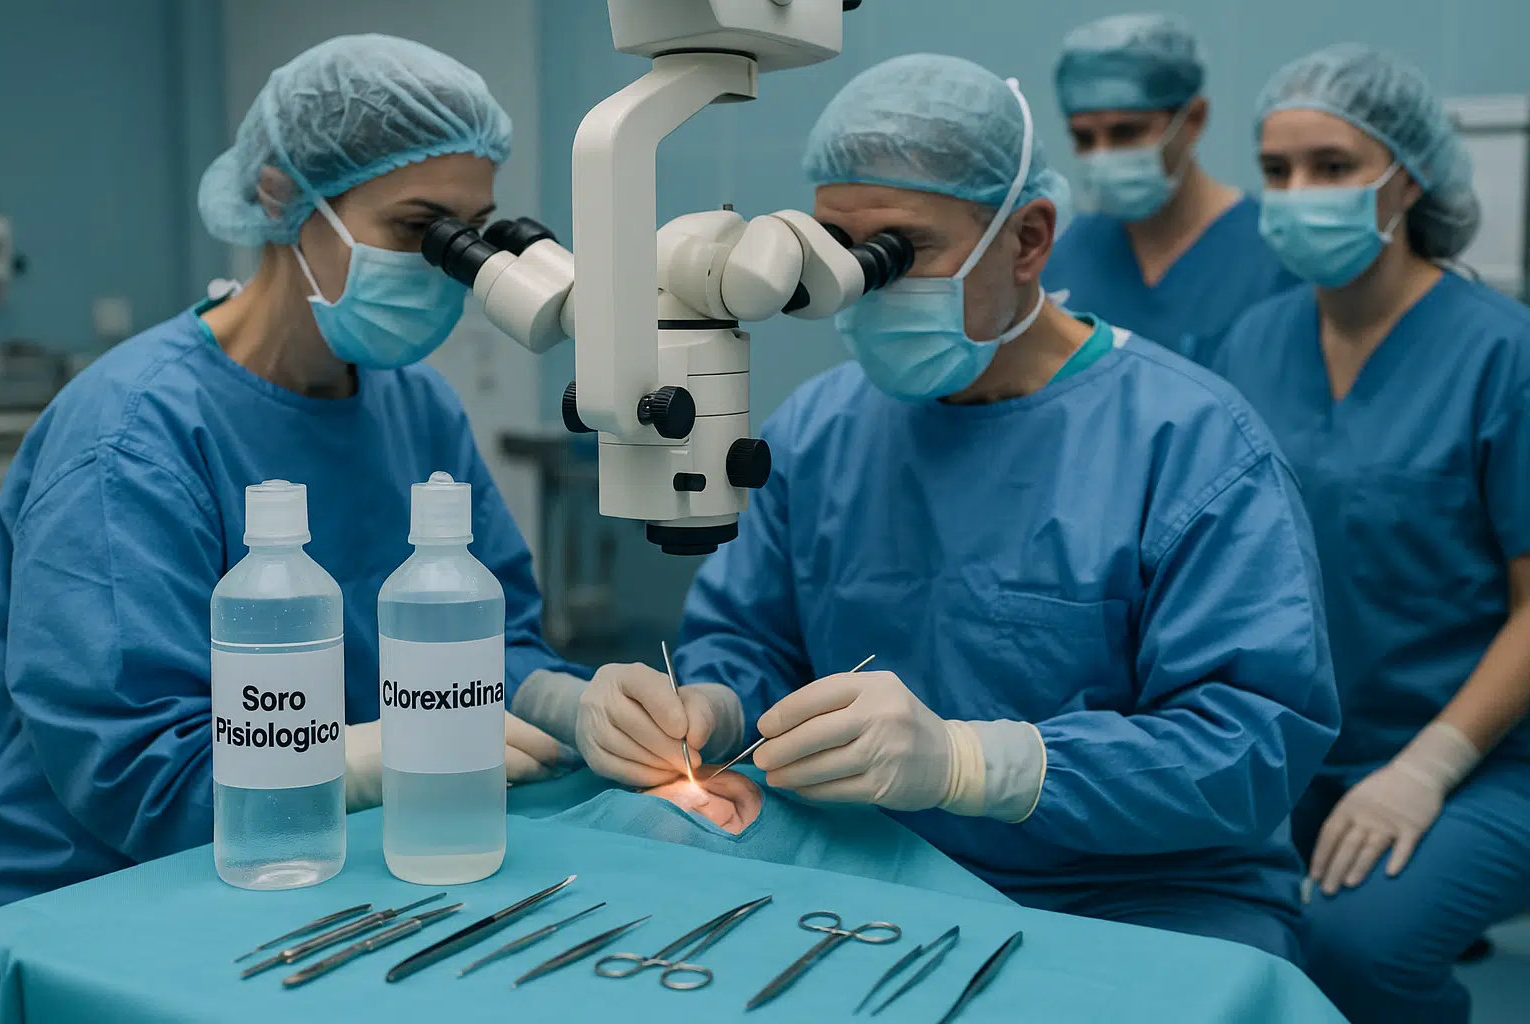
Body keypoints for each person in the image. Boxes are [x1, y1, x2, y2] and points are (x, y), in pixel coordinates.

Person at [540, 54, 1341, 962]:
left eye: (901, 251)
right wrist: (710, 708)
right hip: (876, 871)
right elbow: (751, 641)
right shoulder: (820, 429)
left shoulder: (1192, 443)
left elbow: (1253, 746)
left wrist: (975, 765)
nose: (859, 285)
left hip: (1140, 898)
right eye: (836, 250)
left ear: (1028, 239)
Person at [0, 35, 585, 909]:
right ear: (282, 196)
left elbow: (484, 649)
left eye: (470, 233)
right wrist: (349, 760)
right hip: (114, 895)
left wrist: (572, 704)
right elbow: (131, 771)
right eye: (417, 229)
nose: (447, 265)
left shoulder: (417, 405)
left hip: (352, 860)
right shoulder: (130, 438)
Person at [1211, 44, 1530, 1024]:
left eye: (1334, 166)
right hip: (1301, 743)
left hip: (1485, 754)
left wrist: (1427, 768)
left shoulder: (1503, 354)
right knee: (1206, 927)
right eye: (1277, 170)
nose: (1299, 192)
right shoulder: (1251, 343)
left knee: (1359, 946)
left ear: (1410, 176)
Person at [1043, 13, 1296, 364]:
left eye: (1126, 132)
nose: (1103, 154)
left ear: (1194, 119)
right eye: (1084, 138)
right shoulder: (1064, 257)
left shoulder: (1275, 255)